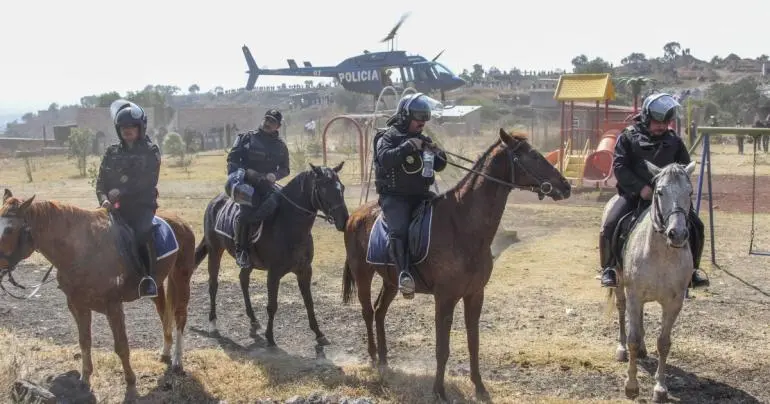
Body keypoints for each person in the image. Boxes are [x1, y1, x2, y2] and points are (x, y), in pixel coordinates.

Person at [599, 93, 709, 288]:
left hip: (670, 199)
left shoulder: (674, 140)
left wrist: (676, 186)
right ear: (646, 117)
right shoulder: (628, 137)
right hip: (634, 195)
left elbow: (683, 165)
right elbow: (619, 167)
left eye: (666, 122)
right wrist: (641, 188)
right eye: (658, 122)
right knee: (610, 223)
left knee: (697, 226)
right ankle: (609, 269)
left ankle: (693, 272)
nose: (662, 127)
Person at [373, 93, 447, 297]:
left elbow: (441, 166)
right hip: (395, 197)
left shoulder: (423, 138)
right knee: (399, 230)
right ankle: (404, 274)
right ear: (405, 116)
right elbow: (385, 159)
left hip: (421, 195)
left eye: (425, 119)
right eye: (418, 118)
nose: (422, 123)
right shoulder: (388, 136)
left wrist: (437, 151)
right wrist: (408, 146)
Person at [96, 100, 161, 298]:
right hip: (113, 207)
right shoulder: (111, 152)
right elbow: (100, 182)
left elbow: (148, 181)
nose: (128, 130)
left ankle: (147, 278)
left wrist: (121, 192)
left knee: (141, 232)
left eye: (132, 126)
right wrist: (104, 199)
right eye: (123, 127)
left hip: (141, 206)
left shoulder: (151, 151)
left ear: (140, 127)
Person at [225, 109, 290, 270]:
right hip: (246, 185)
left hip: (267, 186)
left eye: (272, 122)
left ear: (278, 126)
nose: (268, 123)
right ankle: (242, 251)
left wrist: (275, 175)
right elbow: (232, 160)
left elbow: (285, 169)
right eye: (267, 119)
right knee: (246, 214)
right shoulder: (246, 138)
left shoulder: (281, 146)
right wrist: (247, 172)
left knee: (286, 208)